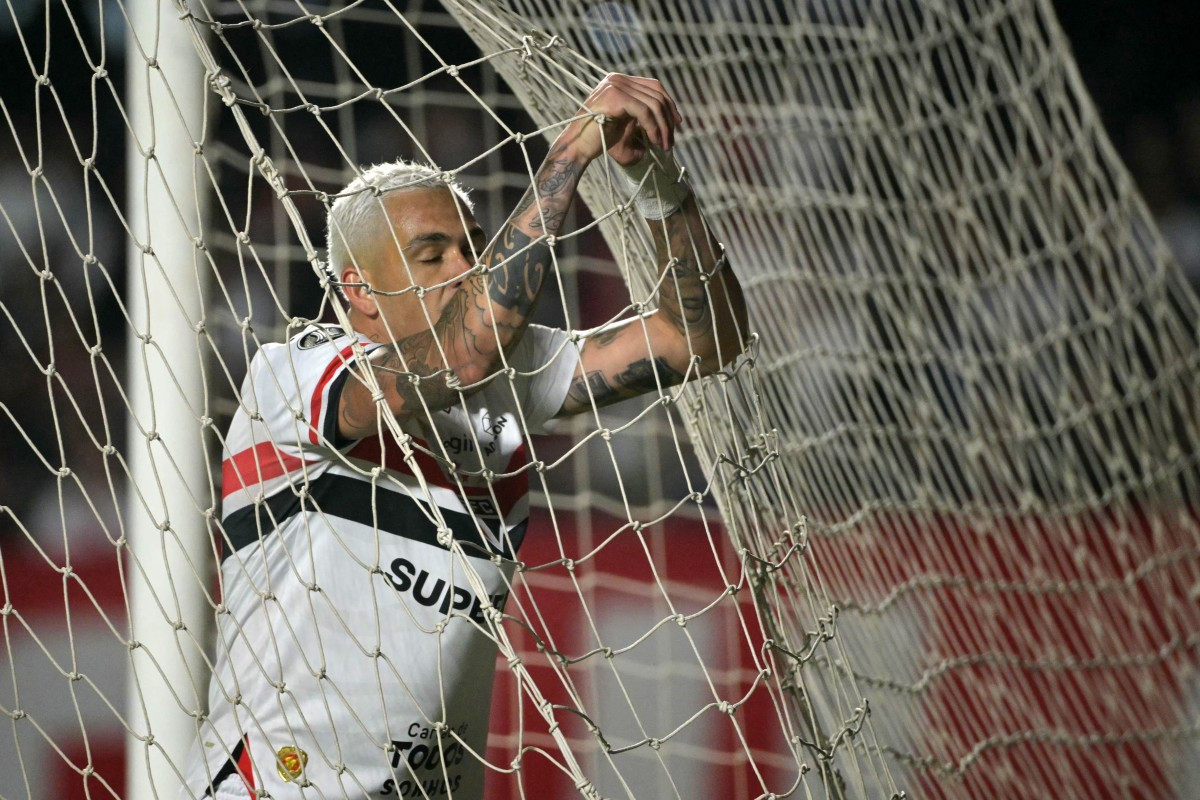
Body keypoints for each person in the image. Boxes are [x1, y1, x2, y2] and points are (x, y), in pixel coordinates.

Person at [184, 73, 747, 800]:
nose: (466, 267)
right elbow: (462, 356)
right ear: (359, 290)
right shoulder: (292, 378)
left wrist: (652, 180)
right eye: (433, 254)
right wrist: (572, 151)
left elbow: (704, 340)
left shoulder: (509, 379)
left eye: (471, 247)